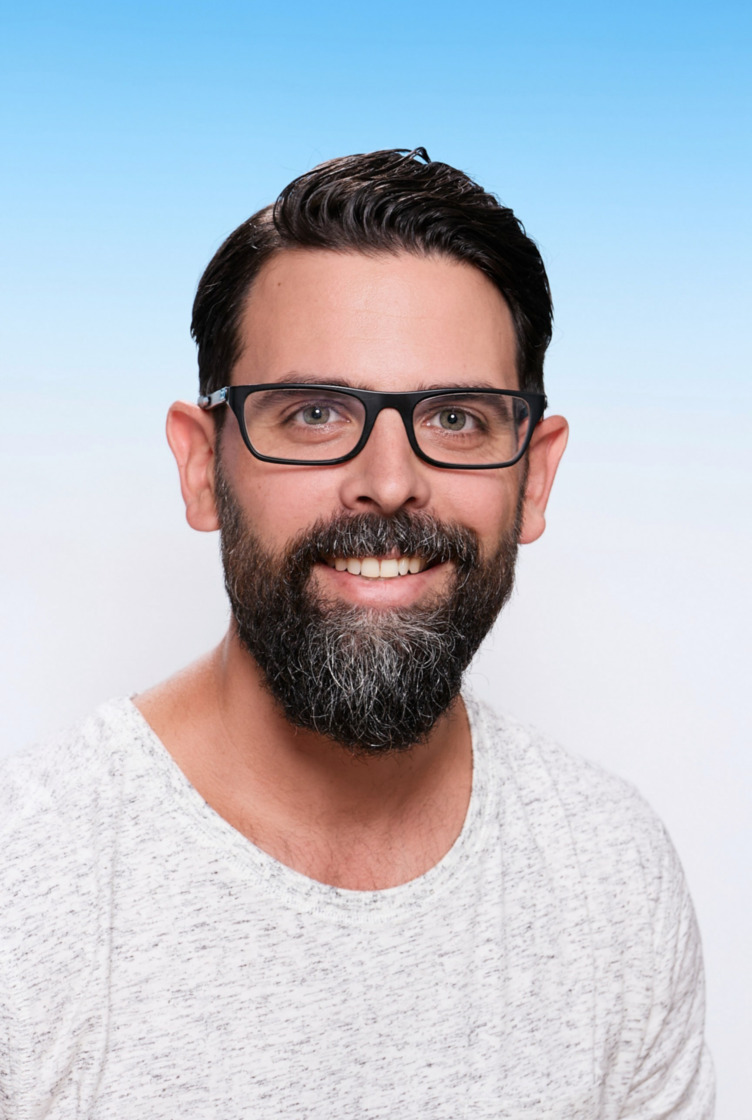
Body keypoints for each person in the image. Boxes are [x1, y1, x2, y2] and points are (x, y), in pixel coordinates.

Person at [0, 148, 714, 1118]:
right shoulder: (27, 880)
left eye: (455, 418)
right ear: (202, 468)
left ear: (534, 476)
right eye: (314, 413)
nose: (387, 481)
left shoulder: (614, 875)